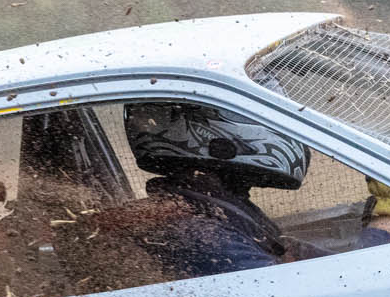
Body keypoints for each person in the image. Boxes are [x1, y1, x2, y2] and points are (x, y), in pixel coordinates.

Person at [114, 100, 308, 279]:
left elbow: (288, 250)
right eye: (246, 110)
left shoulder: (215, 204)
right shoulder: (195, 229)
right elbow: (277, 286)